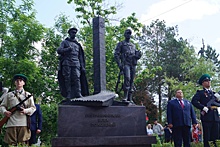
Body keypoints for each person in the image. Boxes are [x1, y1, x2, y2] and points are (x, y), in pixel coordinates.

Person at [0, 74, 36, 146]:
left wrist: (25, 111)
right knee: (11, 144)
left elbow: (33, 108)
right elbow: (2, 106)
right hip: (11, 123)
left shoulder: (27, 95)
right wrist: (5, 112)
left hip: (23, 123)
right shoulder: (9, 95)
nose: (19, 82)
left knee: (22, 144)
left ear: (24, 83)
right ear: (14, 82)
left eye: (21, 80)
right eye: (17, 81)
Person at [57, 27, 89, 100]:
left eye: (75, 33)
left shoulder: (77, 45)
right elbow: (59, 50)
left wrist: (82, 66)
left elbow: (80, 56)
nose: (74, 34)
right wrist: (67, 49)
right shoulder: (65, 42)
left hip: (76, 63)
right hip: (67, 63)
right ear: (69, 33)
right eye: (72, 32)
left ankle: (78, 93)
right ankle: (68, 94)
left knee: (77, 78)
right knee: (67, 78)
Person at [191, 74, 220, 147]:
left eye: (209, 80)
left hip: (215, 117)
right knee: (207, 137)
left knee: (216, 137)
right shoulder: (200, 93)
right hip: (207, 117)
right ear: (203, 83)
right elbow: (194, 101)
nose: (208, 82)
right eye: (206, 81)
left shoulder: (214, 94)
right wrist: (203, 107)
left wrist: (218, 99)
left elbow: (218, 104)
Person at [114, 29, 142, 102]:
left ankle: (130, 97)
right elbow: (116, 54)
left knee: (132, 80)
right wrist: (119, 64)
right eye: (127, 33)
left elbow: (136, 55)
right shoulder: (121, 44)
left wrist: (138, 55)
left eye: (129, 34)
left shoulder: (133, 45)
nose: (128, 35)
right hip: (126, 63)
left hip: (133, 64)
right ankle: (125, 96)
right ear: (125, 34)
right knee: (127, 78)